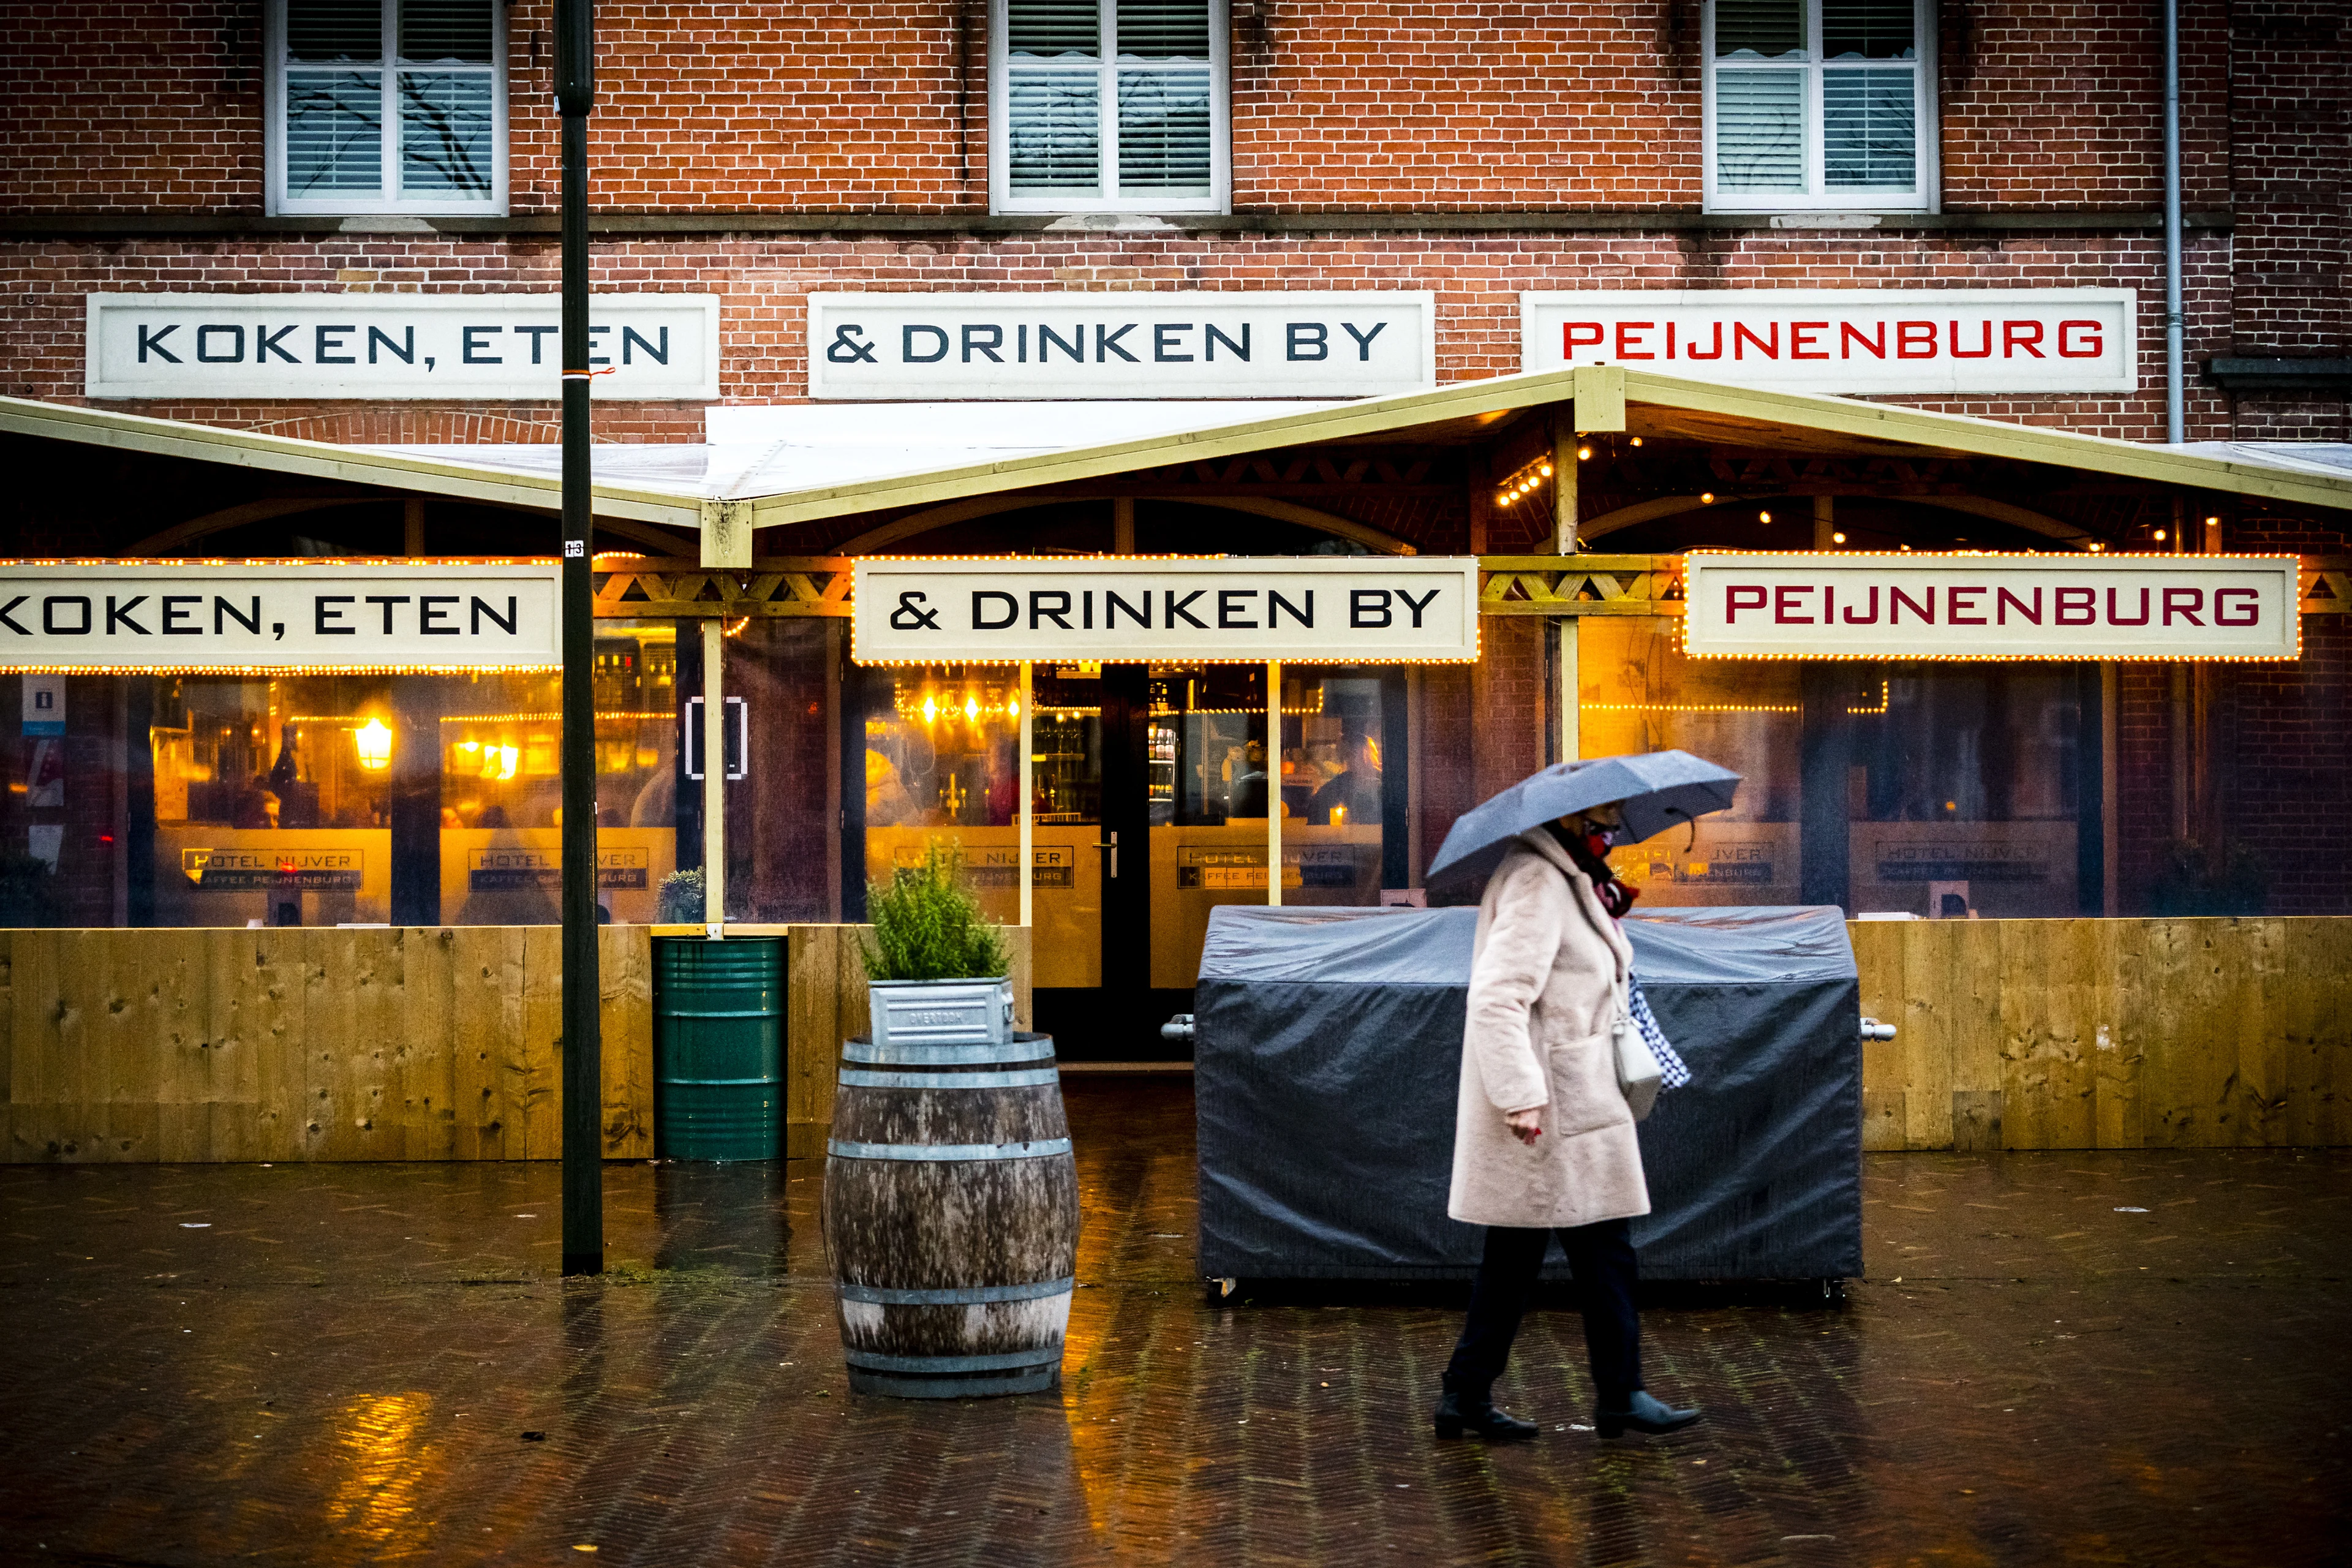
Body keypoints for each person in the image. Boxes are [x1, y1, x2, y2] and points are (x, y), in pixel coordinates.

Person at [1435, 800, 1702, 1442]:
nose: (1608, 831)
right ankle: (1619, 1396)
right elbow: (1498, 997)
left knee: (1516, 1258)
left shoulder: (1566, 878)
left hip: (1571, 1098)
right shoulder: (1538, 880)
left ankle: (1466, 1395)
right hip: (1555, 1106)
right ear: (1568, 822)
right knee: (1603, 1251)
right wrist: (1520, 1094)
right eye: (1599, 820)